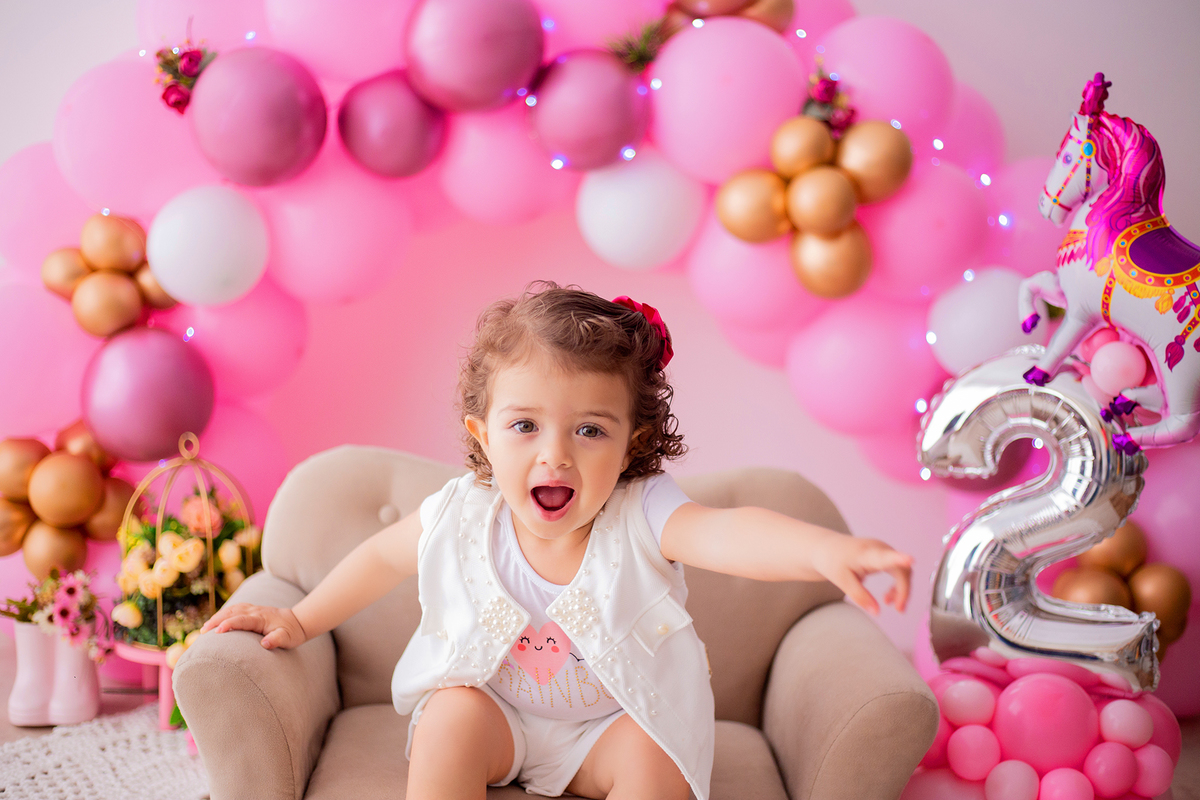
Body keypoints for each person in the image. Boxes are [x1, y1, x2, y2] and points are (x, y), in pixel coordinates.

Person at [202, 282, 914, 800]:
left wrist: (824, 551)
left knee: (649, 760)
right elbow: (383, 557)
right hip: (499, 713)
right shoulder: (463, 511)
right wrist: (300, 619)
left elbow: (727, 533)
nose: (556, 456)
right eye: (525, 426)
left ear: (631, 444)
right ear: (483, 435)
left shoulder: (641, 512)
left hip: (611, 723)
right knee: (450, 715)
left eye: (590, 430)